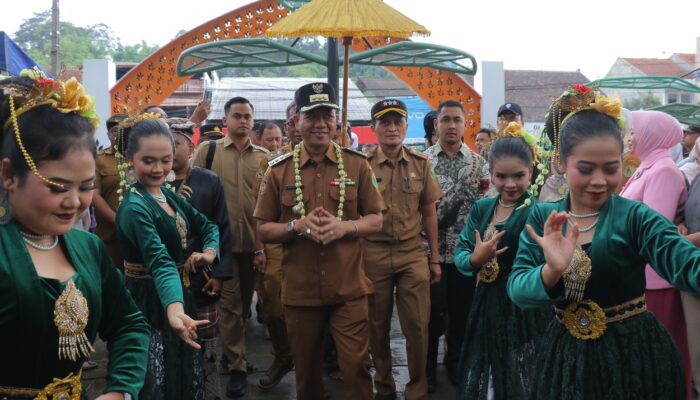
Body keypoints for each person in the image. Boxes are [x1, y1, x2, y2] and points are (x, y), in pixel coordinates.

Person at [508, 85, 700, 400]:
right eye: (586, 169)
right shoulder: (543, 218)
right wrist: (551, 271)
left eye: (611, 169)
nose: (599, 180)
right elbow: (517, 289)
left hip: (635, 357)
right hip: (566, 360)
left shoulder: (636, 217)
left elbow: (686, 264)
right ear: (561, 162)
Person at [0, 68, 149, 399]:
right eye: (57, 187)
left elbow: (129, 324)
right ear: (9, 174)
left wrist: (120, 389)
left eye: (86, 187)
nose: (73, 203)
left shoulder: (88, 246)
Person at [254, 82, 385, 400]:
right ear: (297, 121)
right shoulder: (278, 171)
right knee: (307, 373)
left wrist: (346, 227)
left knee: (355, 366)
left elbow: (377, 219)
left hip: (349, 289)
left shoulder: (356, 164)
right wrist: (295, 227)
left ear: (337, 120)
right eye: (312, 115)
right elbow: (262, 228)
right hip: (300, 292)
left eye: (327, 115)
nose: (320, 123)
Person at [116, 115, 220, 400]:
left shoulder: (165, 194)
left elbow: (208, 225)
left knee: (181, 370)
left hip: (178, 295)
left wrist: (209, 252)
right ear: (130, 159)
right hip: (148, 300)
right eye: (148, 160)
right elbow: (160, 261)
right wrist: (174, 309)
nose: (159, 168)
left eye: (166, 160)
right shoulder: (135, 207)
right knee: (155, 378)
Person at [453, 122, 549, 399]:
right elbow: (462, 251)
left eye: (519, 175)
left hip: (524, 305)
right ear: (491, 175)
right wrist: (475, 259)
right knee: (490, 367)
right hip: (486, 300)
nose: (510, 184)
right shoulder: (483, 208)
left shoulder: (539, 211)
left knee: (524, 368)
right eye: (501, 176)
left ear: (531, 172)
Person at [364, 99, 443, 399]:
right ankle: (384, 385)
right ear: (374, 129)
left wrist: (434, 258)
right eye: (385, 122)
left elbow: (429, 212)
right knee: (377, 324)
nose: (392, 127)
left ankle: (417, 387)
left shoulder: (421, 163)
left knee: (418, 325)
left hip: (412, 253)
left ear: (406, 126)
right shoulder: (362, 165)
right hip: (373, 252)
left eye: (398, 121)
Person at [192, 96, 268, 398]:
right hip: (220, 247)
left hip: (255, 245)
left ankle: (232, 354)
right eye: (237, 116)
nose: (243, 121)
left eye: (247, 116)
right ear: (226, 120)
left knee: (249, 310)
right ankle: (237, 366)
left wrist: (263, 247)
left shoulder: (263, 157)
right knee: (232, 308)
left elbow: (267, 203)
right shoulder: (207, 152)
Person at [619, 110, 691, 395]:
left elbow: (653, 228)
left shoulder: (663, 171)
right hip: (639, 276)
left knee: (660, 357)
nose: (631, 137)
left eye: (636, 131)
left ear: (652, 134)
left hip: (655, 279)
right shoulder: (646, 166)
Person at [425, 100, 490, 390]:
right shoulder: (421, 162)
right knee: (429, 316)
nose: (452, 125)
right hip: (431, 256)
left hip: (465, 256)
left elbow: (487, 210)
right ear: (436, 124)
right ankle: (425, 370)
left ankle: (455, 365)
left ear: (465, 125)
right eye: (446, 119)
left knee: (461, 315)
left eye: (457, 120)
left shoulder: (479, 164)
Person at [168, 118, 234, 400]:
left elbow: (221, 226)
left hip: (202, 279)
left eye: (176, 143)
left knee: (205, 346)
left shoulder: (209, 181)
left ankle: (209, 393)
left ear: (191, 146)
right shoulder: (150, 183)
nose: (169, 149)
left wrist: (219, 274)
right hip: (165, 280)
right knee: (169, 345)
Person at [94, 113, 128, 268]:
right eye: (115, 131)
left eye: (124, 130)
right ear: (108, 134)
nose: (119, 134)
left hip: (141, 232)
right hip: (110, 236)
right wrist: (118, 220)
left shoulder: (140, 156)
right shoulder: (99, 159)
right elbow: (94, 195)